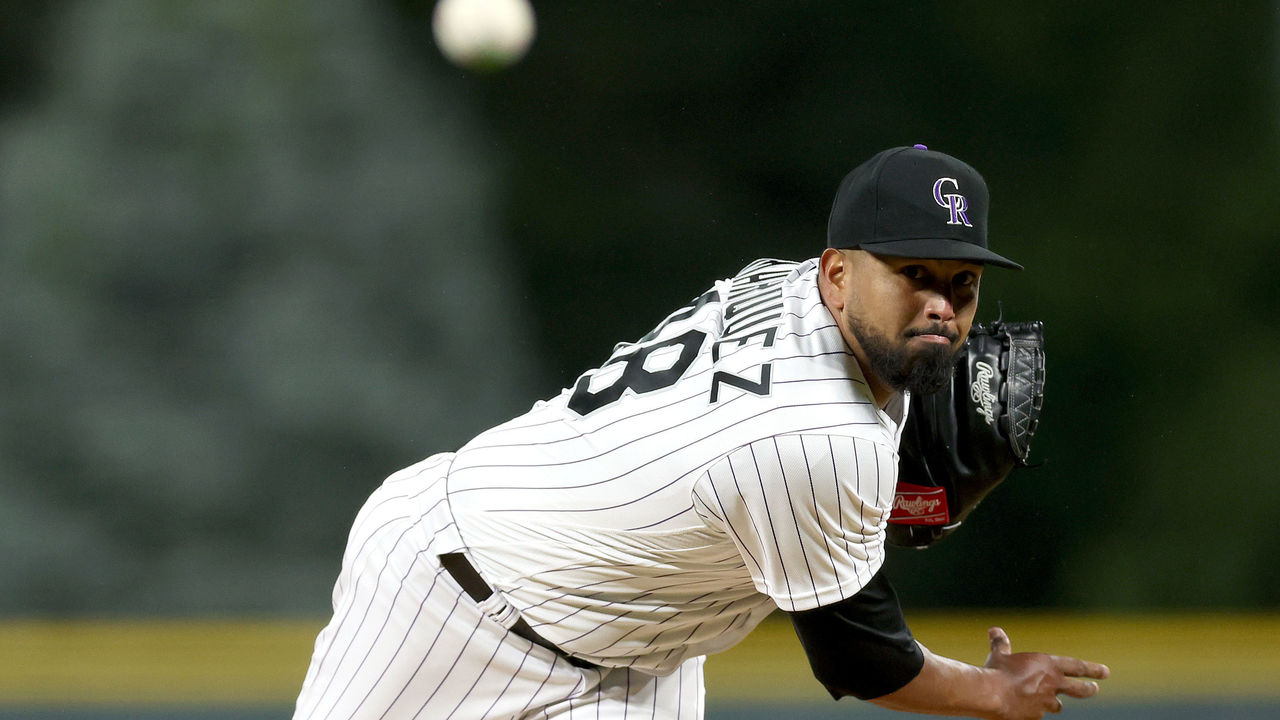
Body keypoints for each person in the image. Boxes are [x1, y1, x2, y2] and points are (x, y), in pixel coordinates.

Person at [293, 145, 1109, 720]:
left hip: (638, 649)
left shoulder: (791, 287)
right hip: (453, 599)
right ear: (836, 273)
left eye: (962, 283)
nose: (942, 306)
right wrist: (996, 692)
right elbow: (863, 659)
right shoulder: (815, 437)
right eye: (914, 274)